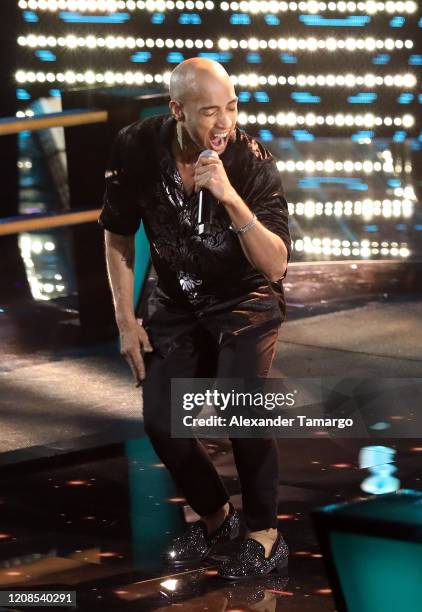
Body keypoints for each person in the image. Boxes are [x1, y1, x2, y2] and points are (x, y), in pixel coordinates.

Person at [99, 58, 291, 579]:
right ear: (177, 110)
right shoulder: (137, 147)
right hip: (176, 302)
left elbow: (275, 264)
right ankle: (217, 519)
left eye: (231, 107)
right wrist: (125, 320)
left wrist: (229, 196)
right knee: (162, 422)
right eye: (210, 112)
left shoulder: (250, 161)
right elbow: (117, 233)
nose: (225, 122)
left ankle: (264, 534)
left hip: (243, 300)